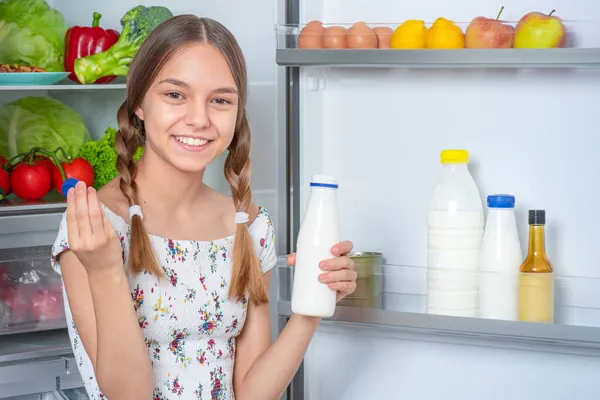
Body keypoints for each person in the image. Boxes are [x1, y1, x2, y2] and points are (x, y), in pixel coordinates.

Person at [50, 14, 357, 400]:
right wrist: (106, 270)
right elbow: (128, 395)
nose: (199, 119)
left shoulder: (250, 225)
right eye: (175, 94)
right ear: (139, 103)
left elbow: (252, 393)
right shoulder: (94, 225)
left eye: (220, 100)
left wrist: (312, 305)